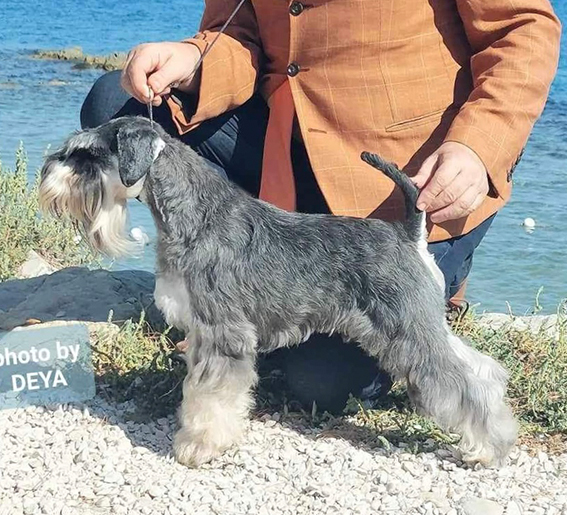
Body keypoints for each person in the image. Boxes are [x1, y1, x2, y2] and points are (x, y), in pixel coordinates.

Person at [81, 0, 561, 413]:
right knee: (116, 105)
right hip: (286, 143)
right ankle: (217, 281)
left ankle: (440, 292)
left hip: (414, 172)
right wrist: (194, 59)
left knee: (321, 381)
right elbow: (240, 32)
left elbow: (523, 28)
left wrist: (478, 145)